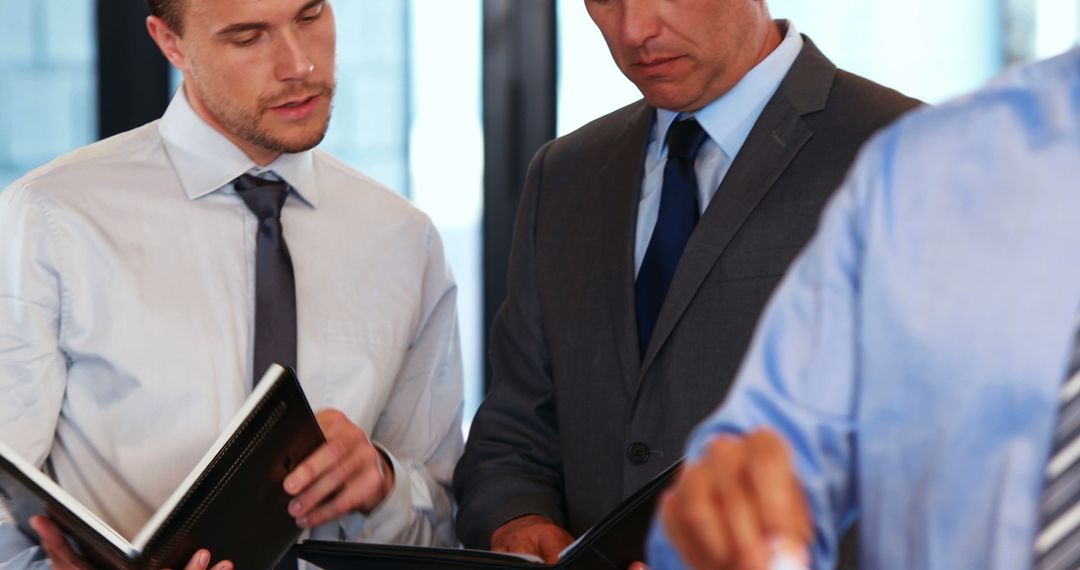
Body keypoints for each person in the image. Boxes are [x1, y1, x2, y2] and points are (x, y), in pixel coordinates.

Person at [453, 0, 919, 564]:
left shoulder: (908, 154)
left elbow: (951, 453)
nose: (635, 31)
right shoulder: (564, 174)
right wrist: (519, 523)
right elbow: (511, 437)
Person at [0, 0, 463, 568]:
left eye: (311, 16)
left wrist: (385, 484)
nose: (300, 65)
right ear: (171, 44)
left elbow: (445, 521)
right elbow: (6, 503)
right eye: (248, 38)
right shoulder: (49, 220)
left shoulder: (403, 240)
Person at [648, 47, 1080, 570]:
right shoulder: (918, 172)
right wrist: (718, 516)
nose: (637, 28)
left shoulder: (879, 130)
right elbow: (755, 471)